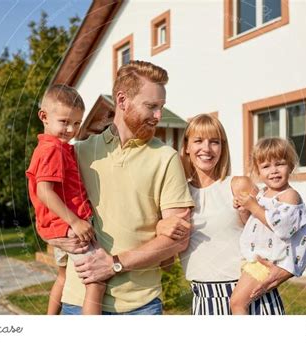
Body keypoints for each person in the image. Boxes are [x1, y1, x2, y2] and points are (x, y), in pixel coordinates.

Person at [47, 60, 195, 315]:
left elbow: (176, 243)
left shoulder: (166, 158)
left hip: (140, 307)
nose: (158, 116)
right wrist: (55, 238)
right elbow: (44, 203)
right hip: (76, 301)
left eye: (161, 107)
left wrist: (114, 264)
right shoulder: (79, 152)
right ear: (123, 100)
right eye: (151, 106)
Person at [157, 114, 294, 315]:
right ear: (186, 146)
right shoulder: (177, 198)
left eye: (214, 142)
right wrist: (160, 228)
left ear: (222, 148)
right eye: (198, 141)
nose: (207, 148)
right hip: (205, 299)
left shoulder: (239, 186)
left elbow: (284, 232)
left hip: (252, 294)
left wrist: (283, 273)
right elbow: (166, 264)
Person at [25, 85, 105, 315]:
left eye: (77, 123)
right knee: (96, 278)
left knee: (62, 276)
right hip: (69, 226)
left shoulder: (53, 147)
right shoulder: (53, 150)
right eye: (64, 121)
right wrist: (75, 222)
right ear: (44, 117)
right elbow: (44, 191)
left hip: (57, 226)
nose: (71, 129)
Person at [230, 137, 306, 314]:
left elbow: (281, 228)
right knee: (251, 305)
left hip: (270, 262)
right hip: (258, 259)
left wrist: (254, 206)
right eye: (266, 166)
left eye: (279, 164)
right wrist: (244, 209)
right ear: (258, 171)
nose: (273, 171)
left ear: (291, 166)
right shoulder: (264, 194)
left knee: (237, 303)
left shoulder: (290, 196)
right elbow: (252, 224)